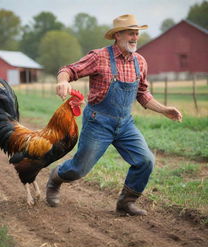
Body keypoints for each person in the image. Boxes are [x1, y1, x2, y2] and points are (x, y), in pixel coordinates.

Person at [46, 14, 182, 216]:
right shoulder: (99, 57)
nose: (135, 37)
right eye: (130, 33)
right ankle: (55, 178)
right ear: (117, 35)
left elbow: (142, 93)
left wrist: (164, 110)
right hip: (98, 123)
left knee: (145, 161)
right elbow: (69, 69)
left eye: (137, 33)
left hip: (125, 125)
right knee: (78, 169)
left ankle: (126, 203)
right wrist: (63, 81)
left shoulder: (140, 62)